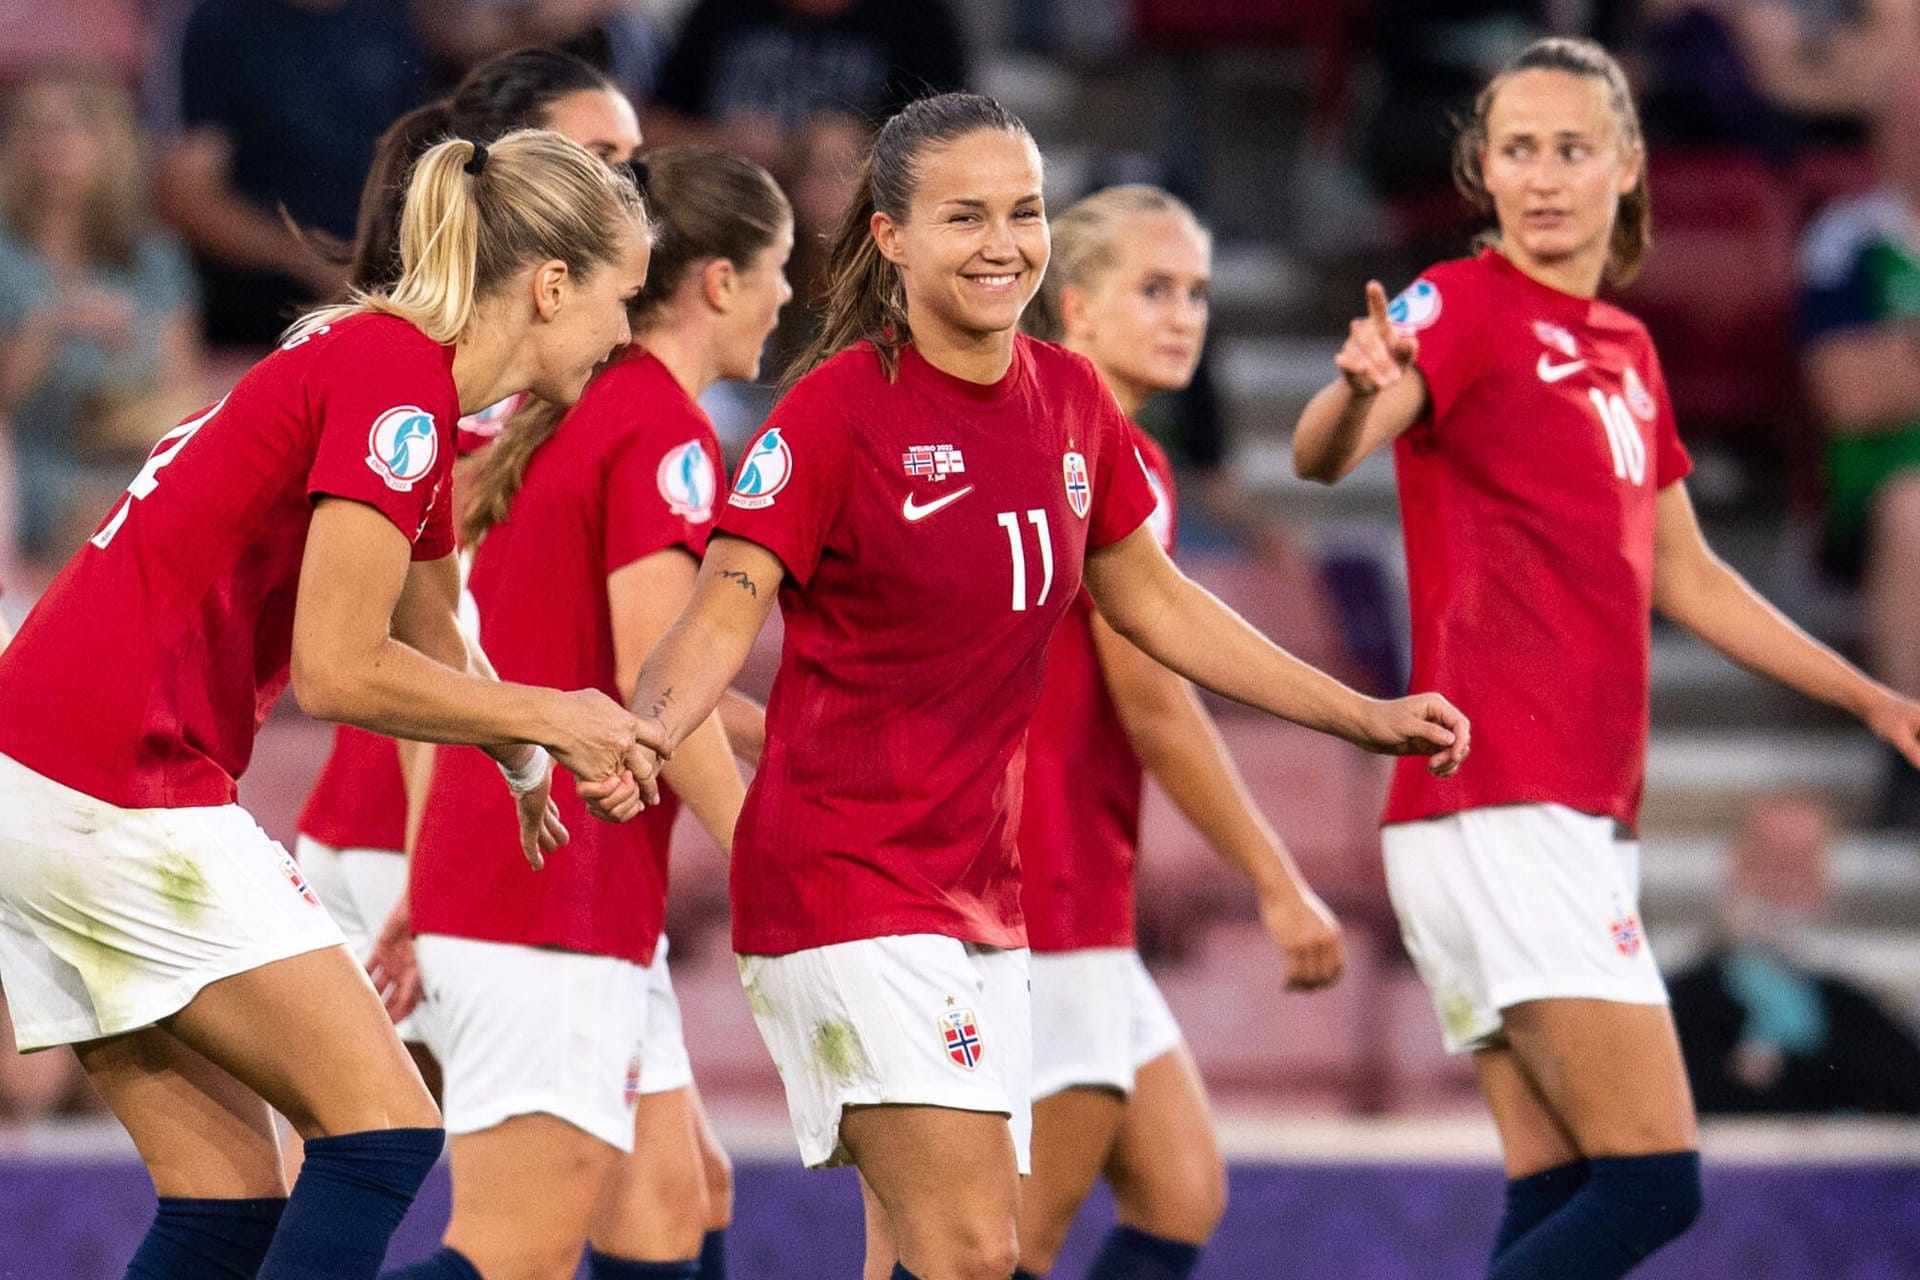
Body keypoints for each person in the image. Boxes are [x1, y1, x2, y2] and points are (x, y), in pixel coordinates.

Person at [620, 91, 1469, 1280]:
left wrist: (1361, 711)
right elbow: (722, 606)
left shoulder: (1070, 403)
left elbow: (1160, 605)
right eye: (964, 216)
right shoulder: (836, 410)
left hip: (981, 895)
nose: (1003, 242)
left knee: (928, 1253)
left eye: (1023, 212)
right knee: (976, 1251)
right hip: (844, 879)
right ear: (890, 238)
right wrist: (643, 734)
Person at [1292, 37, 1920, 1280]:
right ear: (1481, 168)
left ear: (1626, 166)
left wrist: (1868, 693)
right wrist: (1354, 395)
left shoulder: (1627, 351)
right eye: (1517, 149)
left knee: (1569, 1181)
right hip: (1504, 798)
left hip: (1524, 814)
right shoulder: (1460, 305)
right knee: (1653, 1183)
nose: (1543, 174)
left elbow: (1685, 572)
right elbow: (1324, 449)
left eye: (1571, 148)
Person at [0, 129, 658, 1280]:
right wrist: (558, 713)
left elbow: (426, 622)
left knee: (224, 1197)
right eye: (621, 298)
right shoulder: (395, 388)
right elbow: (338, 671)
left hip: (44, 775)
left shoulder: (388, 372)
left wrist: (523, 752)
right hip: (118, 782)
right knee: (384, 1130)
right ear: (553, 285)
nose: (624, 333)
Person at [384, 146, 792, 1280]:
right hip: (550, 885)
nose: (789, 298)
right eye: (781, 269)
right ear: (716, 282)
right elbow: (664, 687)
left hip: (527, 869)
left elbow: (550, 650)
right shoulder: (662, 430)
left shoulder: (568, 403)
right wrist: (776, 861)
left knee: (677, 1199)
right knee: (515, 1252)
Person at [942, 184, 1336, 1280]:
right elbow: (1156, 703)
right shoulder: (1109, 455)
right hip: (1051, 889)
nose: (1183, 316)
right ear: (1075, 306)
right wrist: (1275, 876)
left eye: (1198, 293)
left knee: (1178, 1188)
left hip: (1054, 876)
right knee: (1010, 1244)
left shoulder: (1032, 433)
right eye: (1152, 288)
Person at [295, 40, 646, 1100]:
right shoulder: (431, 398)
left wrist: (523, 761)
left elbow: (443, 627)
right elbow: (370, 659)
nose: (624, 181)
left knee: (672, 1190)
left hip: (424, 819)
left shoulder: (429, 380)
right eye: (596, 155)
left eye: (635, 160)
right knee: (561, 1210)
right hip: (415, 828)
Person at [0, 62, 207, 560]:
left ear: (112, 142)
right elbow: (5, 397)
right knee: (111, 517)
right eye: (34, 126)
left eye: (71, 124)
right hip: (30, 470)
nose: (50, 142)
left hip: (134, 463)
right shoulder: (6, 257)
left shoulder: (156, 258)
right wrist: (51, 324)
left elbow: (181, 395)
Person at [154, 0, 435, 343]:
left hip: (386, 293)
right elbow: (187, 197)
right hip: (259, 313)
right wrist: (309, 261)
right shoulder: (217, 21)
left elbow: (421, 159)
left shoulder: (389, 18)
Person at [1797, 67, 1920, 829]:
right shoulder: (1853, 239)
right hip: (1884, 478)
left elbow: (1884, 373)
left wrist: (1903, 357)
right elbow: (1847, 392)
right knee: (1913, 516)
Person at [1668, 795, 1920, 1114]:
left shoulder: (1854, 1008)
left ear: (1825, 882)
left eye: (1798, 867)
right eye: (1767, 862)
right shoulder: (1676, 1003)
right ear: (1732, 865)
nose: (1780, 885)